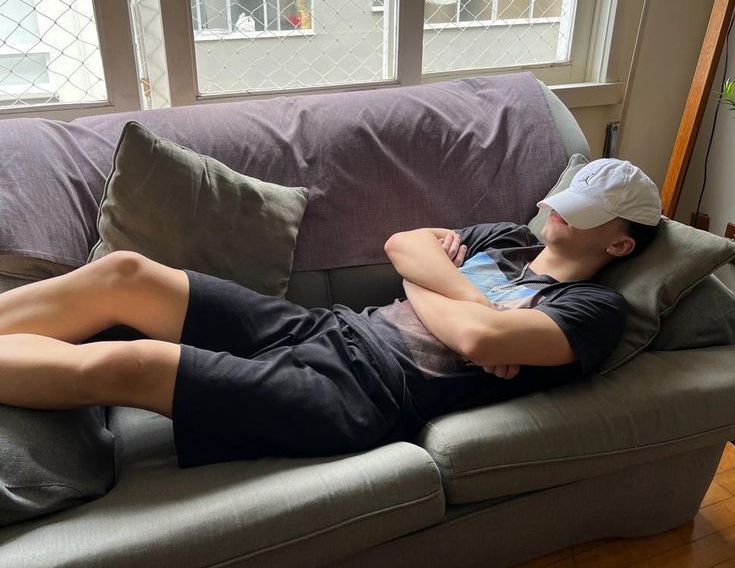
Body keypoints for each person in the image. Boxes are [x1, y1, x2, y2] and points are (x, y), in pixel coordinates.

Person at [0, 157, 662, 468]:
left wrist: (441, 292)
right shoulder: (503, 239)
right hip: (332, 326)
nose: (552, 210)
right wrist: (455, 295)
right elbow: (403, 246)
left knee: (131, 361)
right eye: (562, 197)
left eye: (579, 212)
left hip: (358, 396)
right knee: (127, 274)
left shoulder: (592, 309)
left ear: (618, 242)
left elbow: (480, 334)